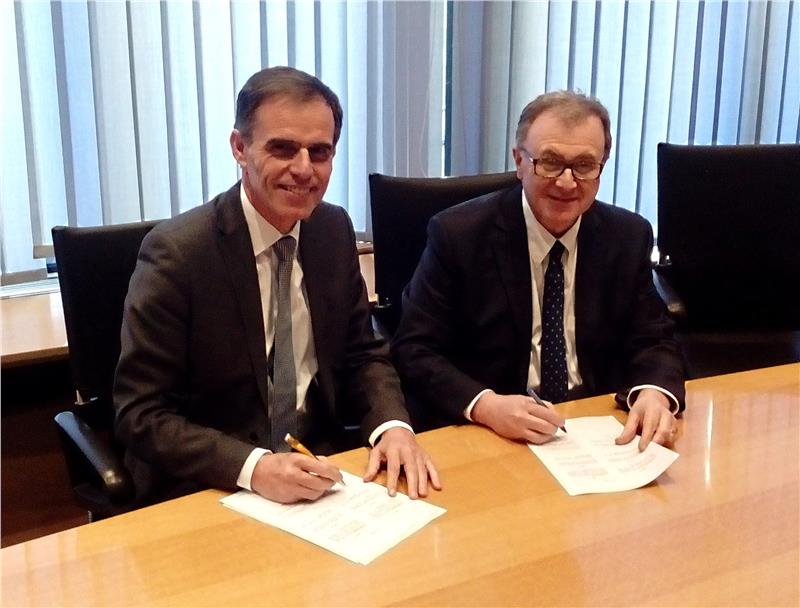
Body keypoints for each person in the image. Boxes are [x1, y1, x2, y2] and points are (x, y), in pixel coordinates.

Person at [114, 66, 440, 506]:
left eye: (320, 152)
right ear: (240, 148)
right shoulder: (179, 253)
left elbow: (362, 353)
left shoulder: (331, 229)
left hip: (317, 465)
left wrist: (392, 427)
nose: (304, 169)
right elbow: (140, 413)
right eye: (283, 148)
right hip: (210, 481)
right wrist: (255, 468)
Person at [392, 91, 685, 451]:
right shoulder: (459, 235)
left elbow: (654, 337)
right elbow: (414, 348)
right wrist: (486, 406)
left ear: (602, 167)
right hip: (494, 432)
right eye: (549, 162)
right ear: (519, 161)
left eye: (584, 165)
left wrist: (654, 392)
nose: (566, 182)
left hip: (597, 428)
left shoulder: (627, 235)